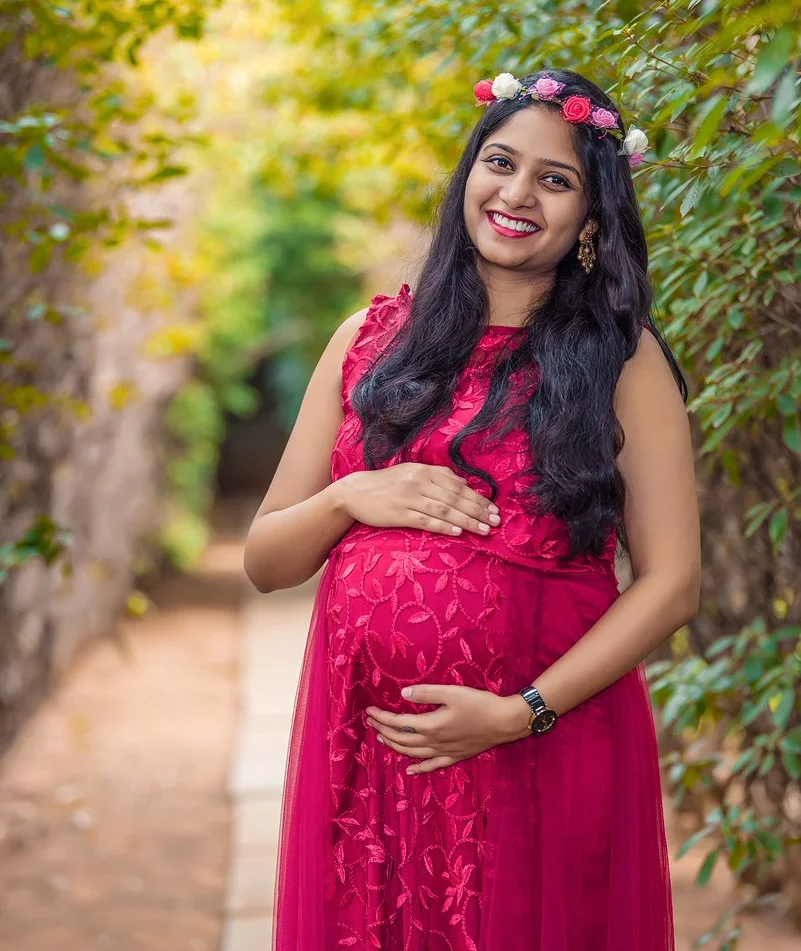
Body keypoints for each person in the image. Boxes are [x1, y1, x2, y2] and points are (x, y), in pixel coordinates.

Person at [244, 66, 701, 951]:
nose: (517, 192)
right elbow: (266, 560)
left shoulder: (622, 358)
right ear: (468, 176)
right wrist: (349, 497)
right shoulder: (370, 339)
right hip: (370, 762)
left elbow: (673, 582)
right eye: (500, 162)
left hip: (534, 744)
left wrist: (521, 709)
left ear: (590, 220)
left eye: (554, 179)